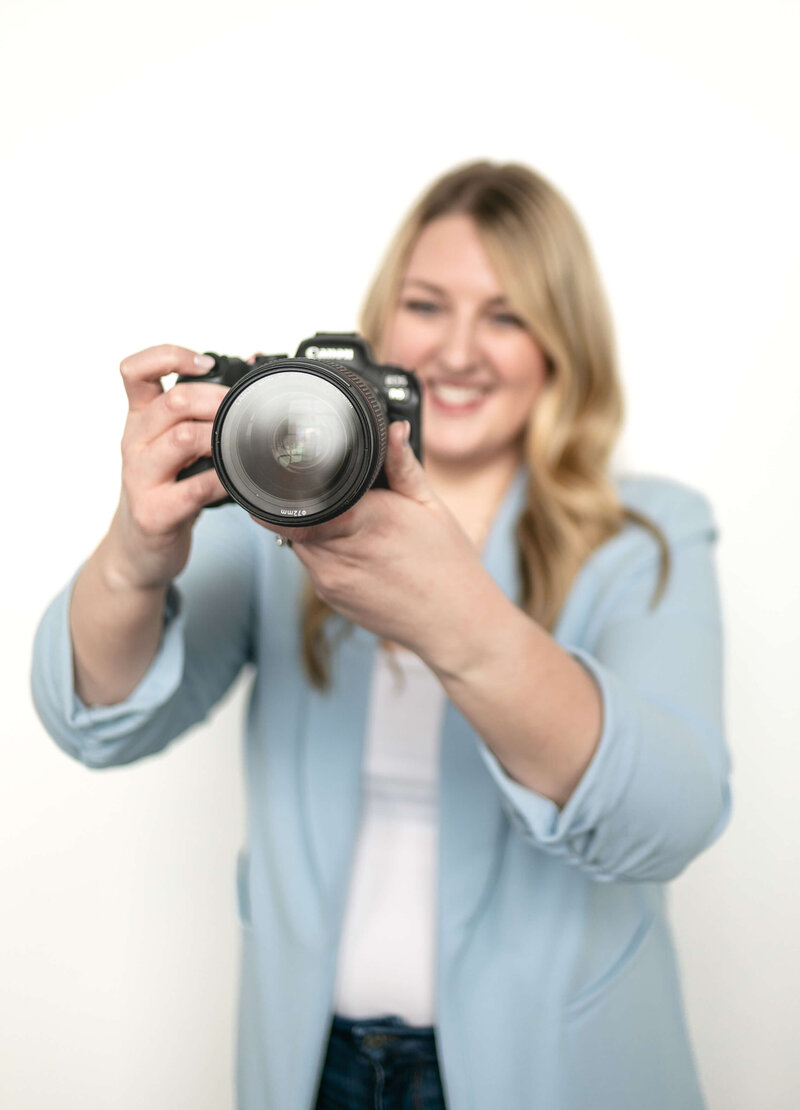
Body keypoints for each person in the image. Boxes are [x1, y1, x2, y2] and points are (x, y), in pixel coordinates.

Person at [32, 161, 731, 1110]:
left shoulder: (647, 533)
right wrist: (135, 553)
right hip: (313, 1068)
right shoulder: (285, 511)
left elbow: (670, 816)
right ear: (379, 327)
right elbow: (99, 721)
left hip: (557, 1076)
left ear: (563, 344)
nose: (459, 350)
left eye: (509, 314)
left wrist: (461, 614)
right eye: (428, 305)